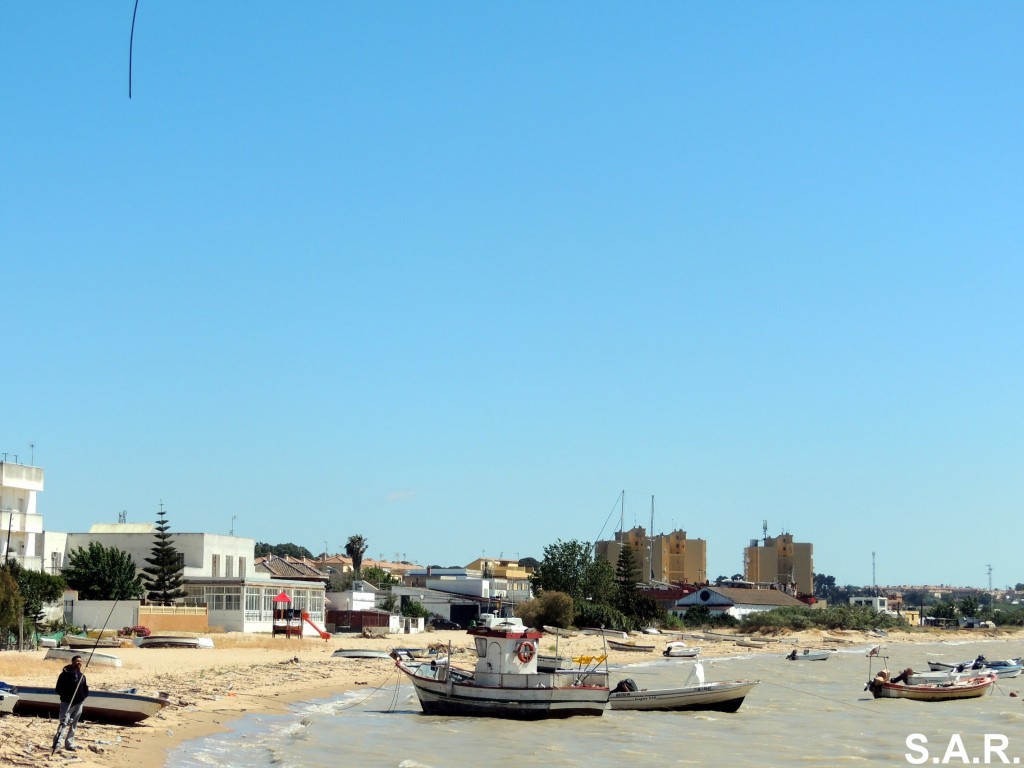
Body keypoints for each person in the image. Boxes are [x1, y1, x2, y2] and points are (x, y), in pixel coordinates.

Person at [53, 654, 89, 752]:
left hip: (79, 703)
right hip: (67, 703)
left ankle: (69, 744)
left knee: (74, 725)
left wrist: (82, 697)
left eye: (80, 661)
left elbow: (85, 688)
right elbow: (58, 689)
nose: (79, 663)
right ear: (72, 662)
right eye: (77, 661)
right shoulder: (65, 675)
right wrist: (67, 696)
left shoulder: (82, 676)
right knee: (64, 723)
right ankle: (57, 744)